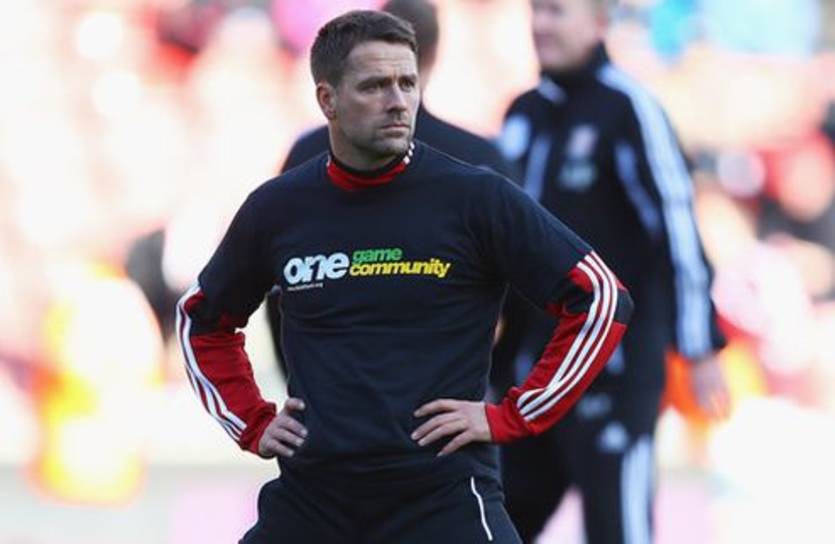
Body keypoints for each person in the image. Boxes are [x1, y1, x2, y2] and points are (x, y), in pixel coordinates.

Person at [176, 9, 633, 543]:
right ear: (327, 100)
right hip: (314, 500)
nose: (397, 101)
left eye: (407, 83)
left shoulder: (475, 196)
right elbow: (202, 320)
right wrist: (253, 421)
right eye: (374, 86)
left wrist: (511, 414)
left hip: (442, 499)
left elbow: (601, 296)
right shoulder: (278, 208)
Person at [492, 1, 730, 542]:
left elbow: (676, 226)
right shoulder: (523, 114)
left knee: (617, 528)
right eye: (535, 10)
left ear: (599, 23)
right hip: (529, 370)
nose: (540, 24)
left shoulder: (629, 108)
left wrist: (698, 346)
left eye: (556, 11)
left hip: (613, 369)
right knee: (496, 524)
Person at [265, 0, 515, 373]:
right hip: (445, 390)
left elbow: (272, 287)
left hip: (333, 388)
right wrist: (495, 390)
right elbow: (525, 293)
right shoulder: (476, 158)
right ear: (434, 54)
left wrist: (297, 380)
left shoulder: (306, 154)